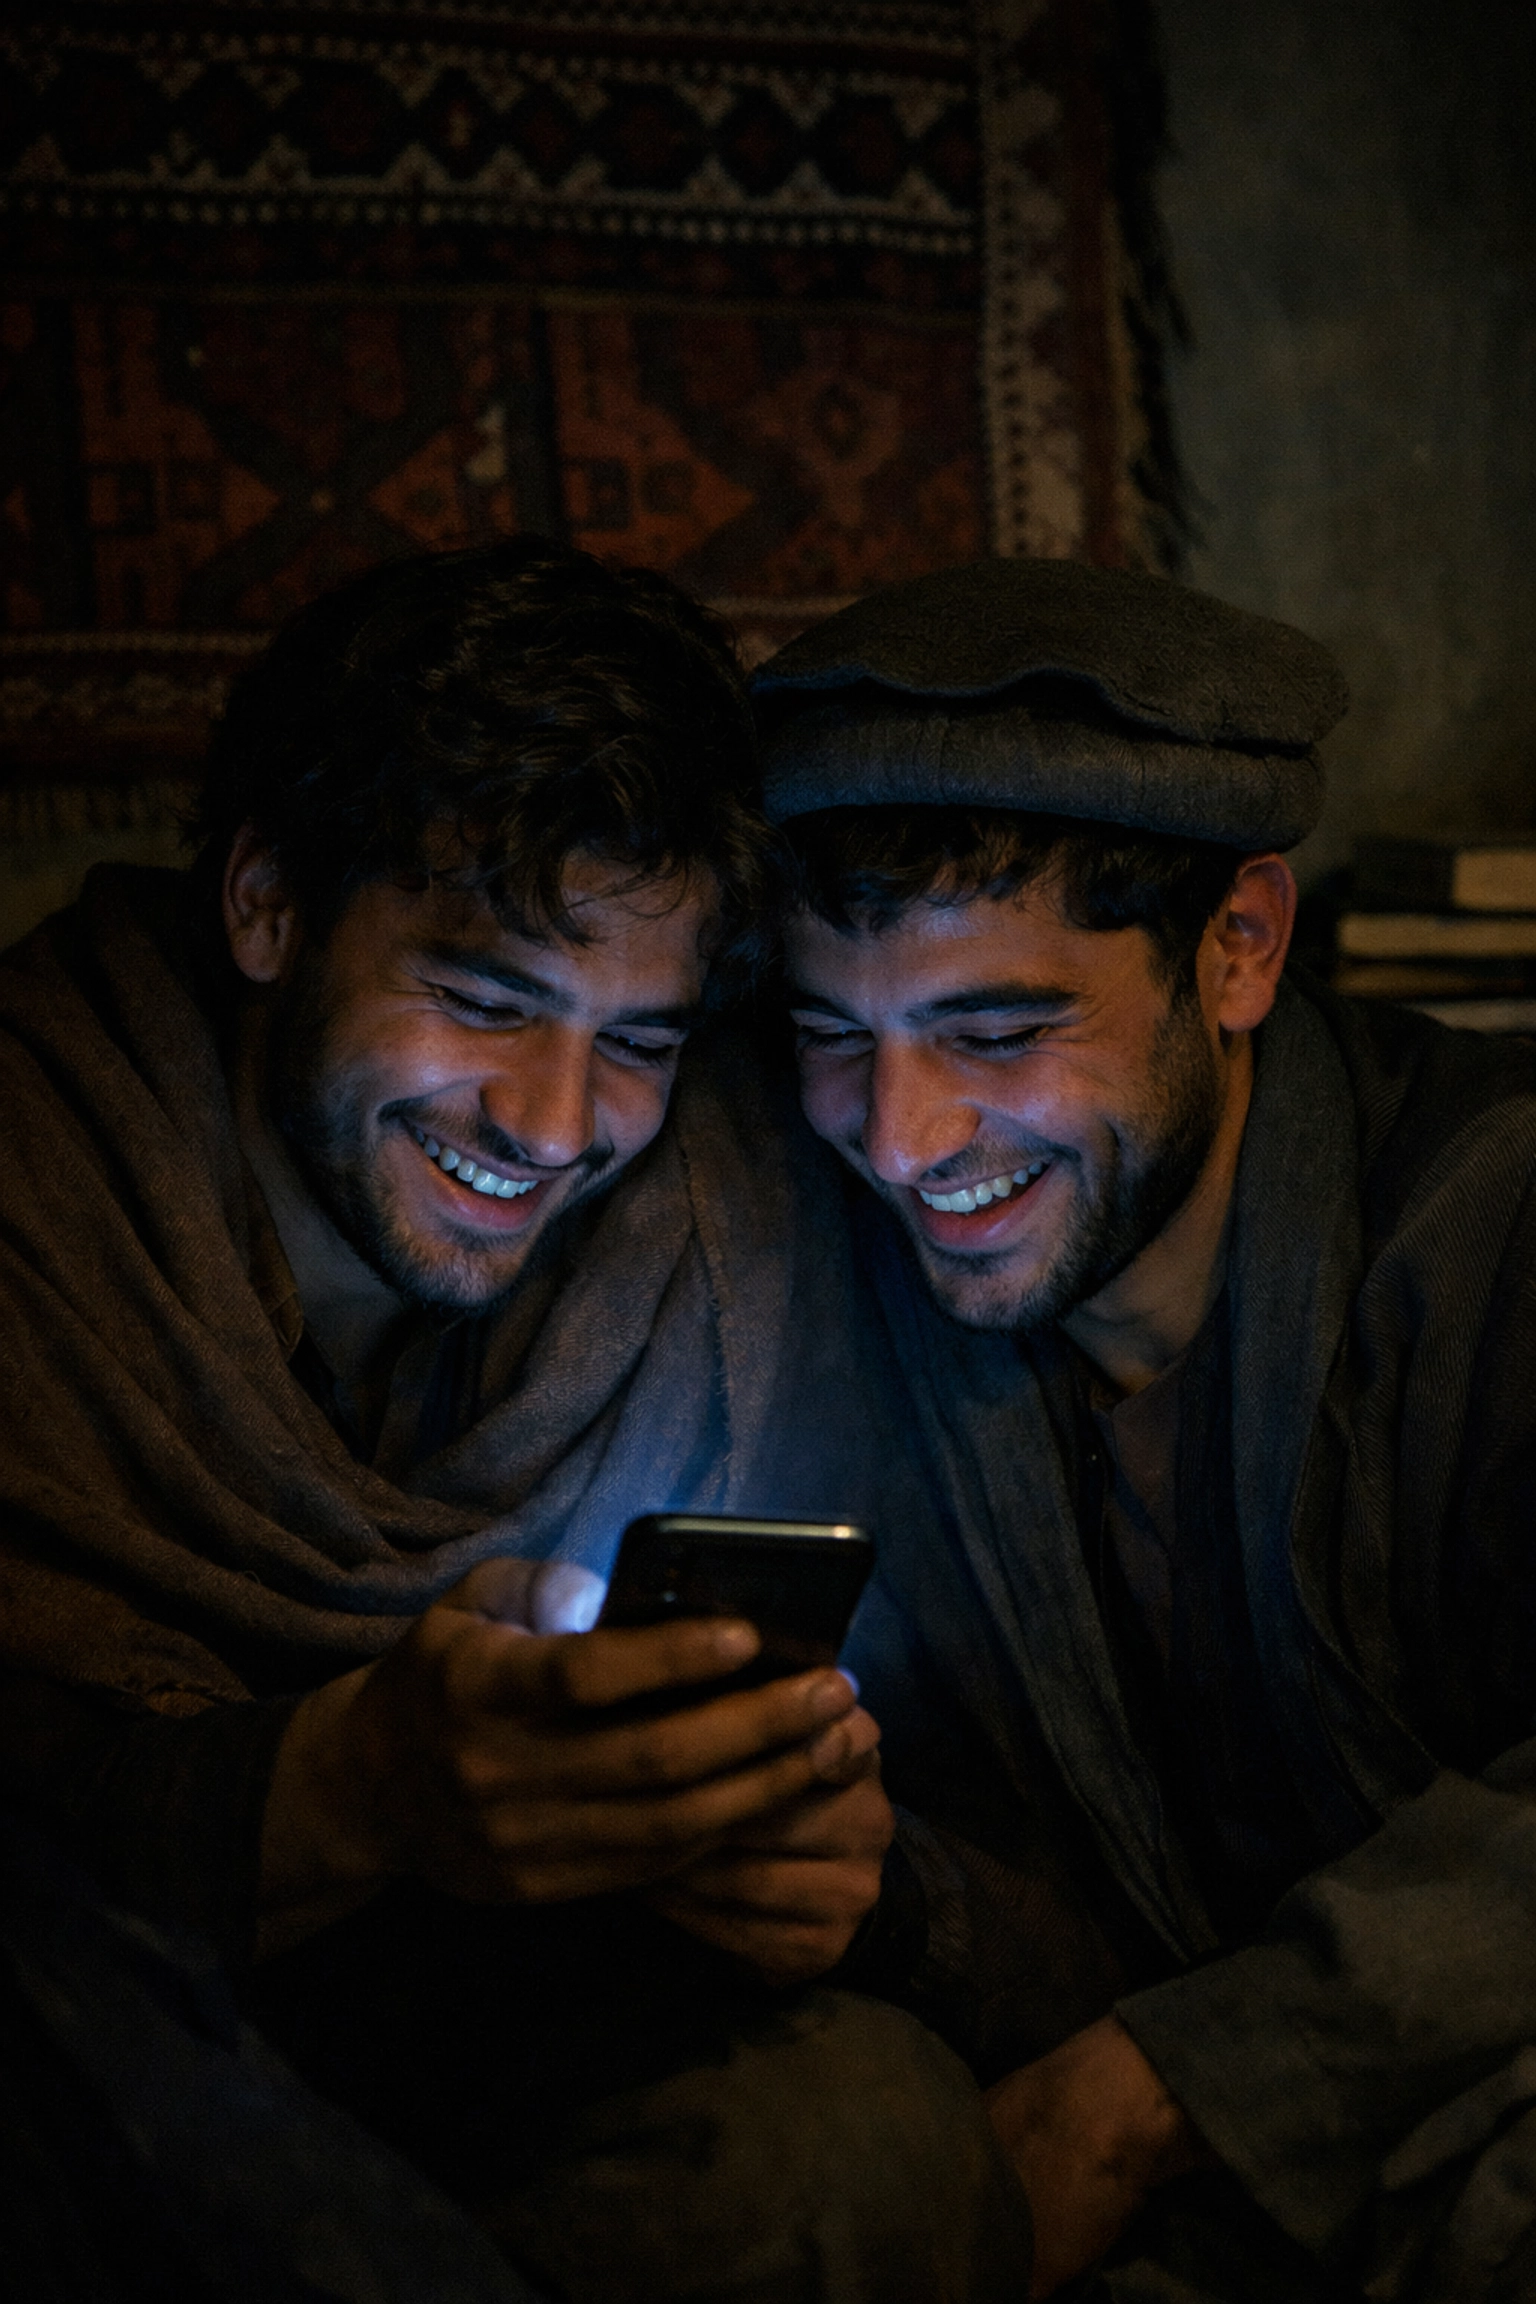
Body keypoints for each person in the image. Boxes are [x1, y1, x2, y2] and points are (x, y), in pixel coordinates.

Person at [0, 538, 1032, 2303]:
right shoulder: (40, 1172)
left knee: (869, 2128)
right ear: (264, 906)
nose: (556, 1124)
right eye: (481, 1000)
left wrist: (837, 1867)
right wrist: (343, 1786)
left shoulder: (720, 1227)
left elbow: (1012, 1855)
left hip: (487, 2058)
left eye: (636, 1041)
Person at [755, 557, 1536, 2304]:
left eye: (1000, 1030)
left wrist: (1144, 2098)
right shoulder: (868, 1314)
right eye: (831, 1037)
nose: (896, 1136)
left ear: (1238, 947)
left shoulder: (1497, 1229)